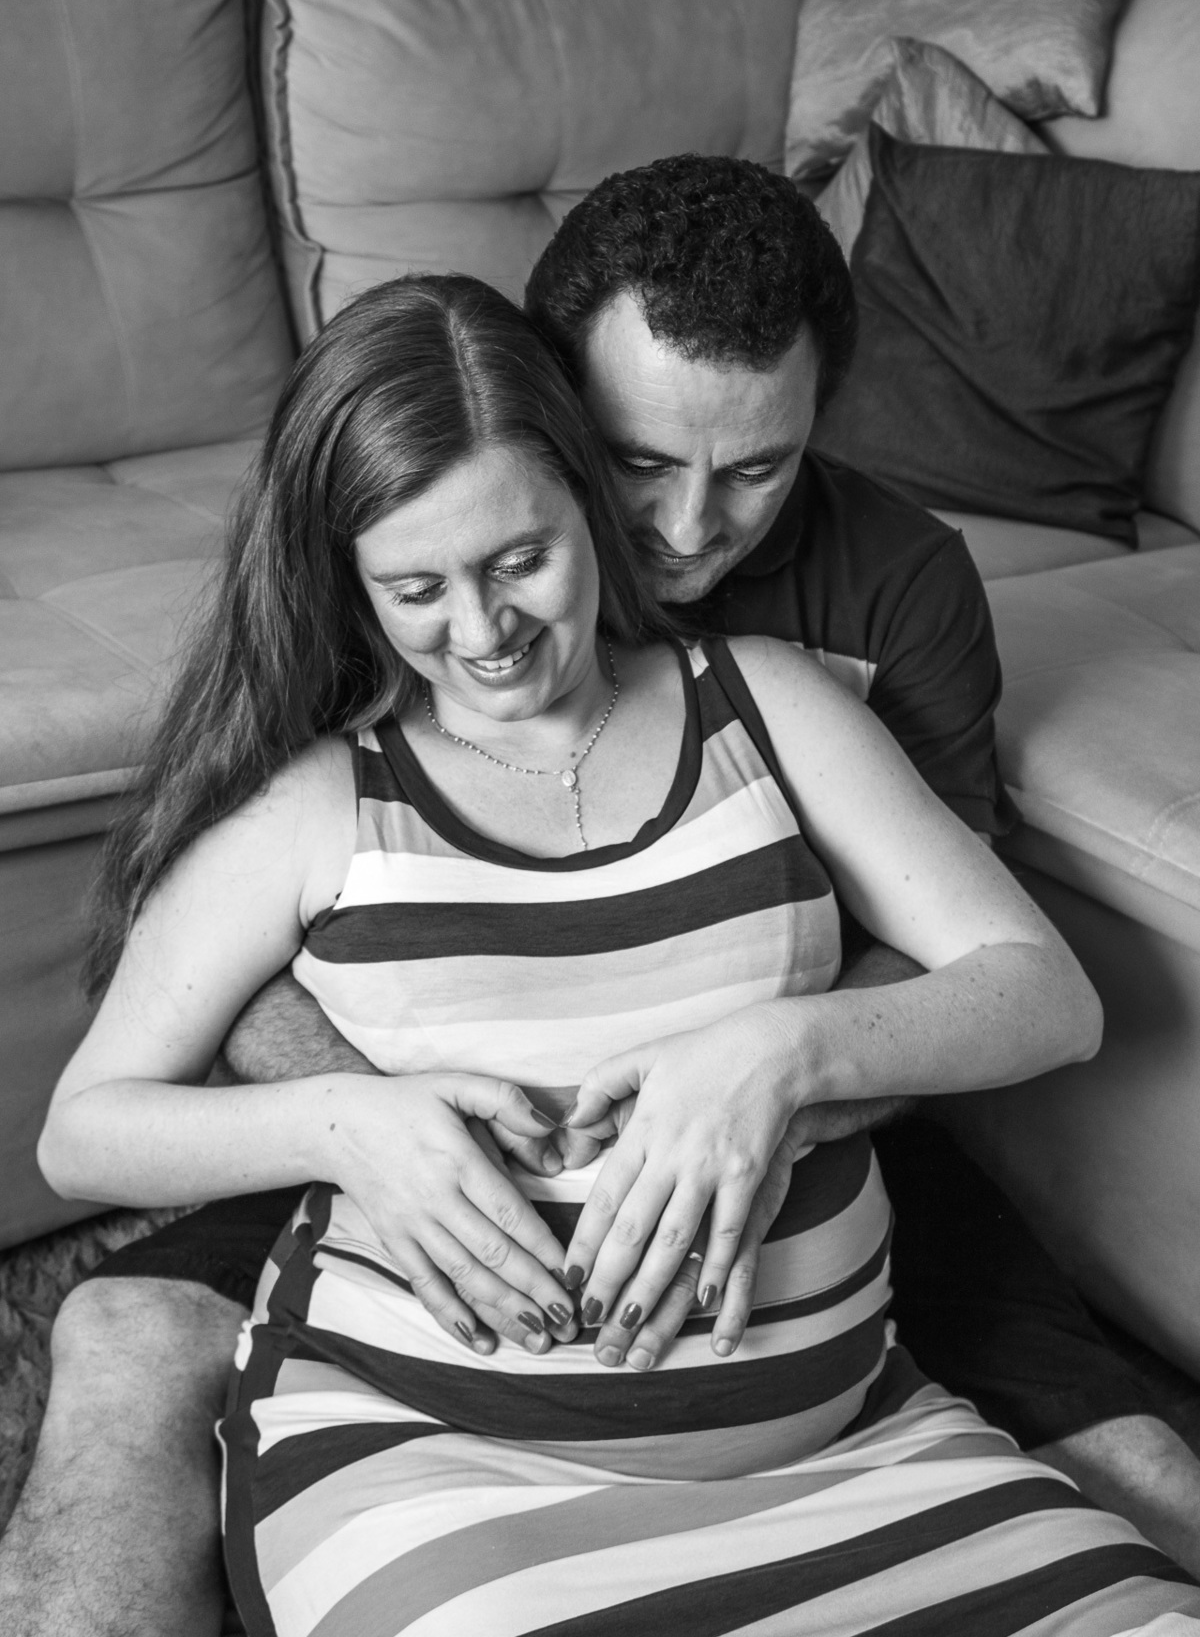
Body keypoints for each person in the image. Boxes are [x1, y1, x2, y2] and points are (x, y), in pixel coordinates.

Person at [2, 160, 1197, 1637]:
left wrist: (779, 1059)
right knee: (126, 1337)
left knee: (1142, 1507)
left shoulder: (828, 651)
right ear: (571, 419)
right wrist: (369, 1124)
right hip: (447, 1396)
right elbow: (127, 1075)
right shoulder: (367, 642)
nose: (688, 528)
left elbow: (1010, 976)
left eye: (755, 468)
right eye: (644, 464)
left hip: (836, 1338)